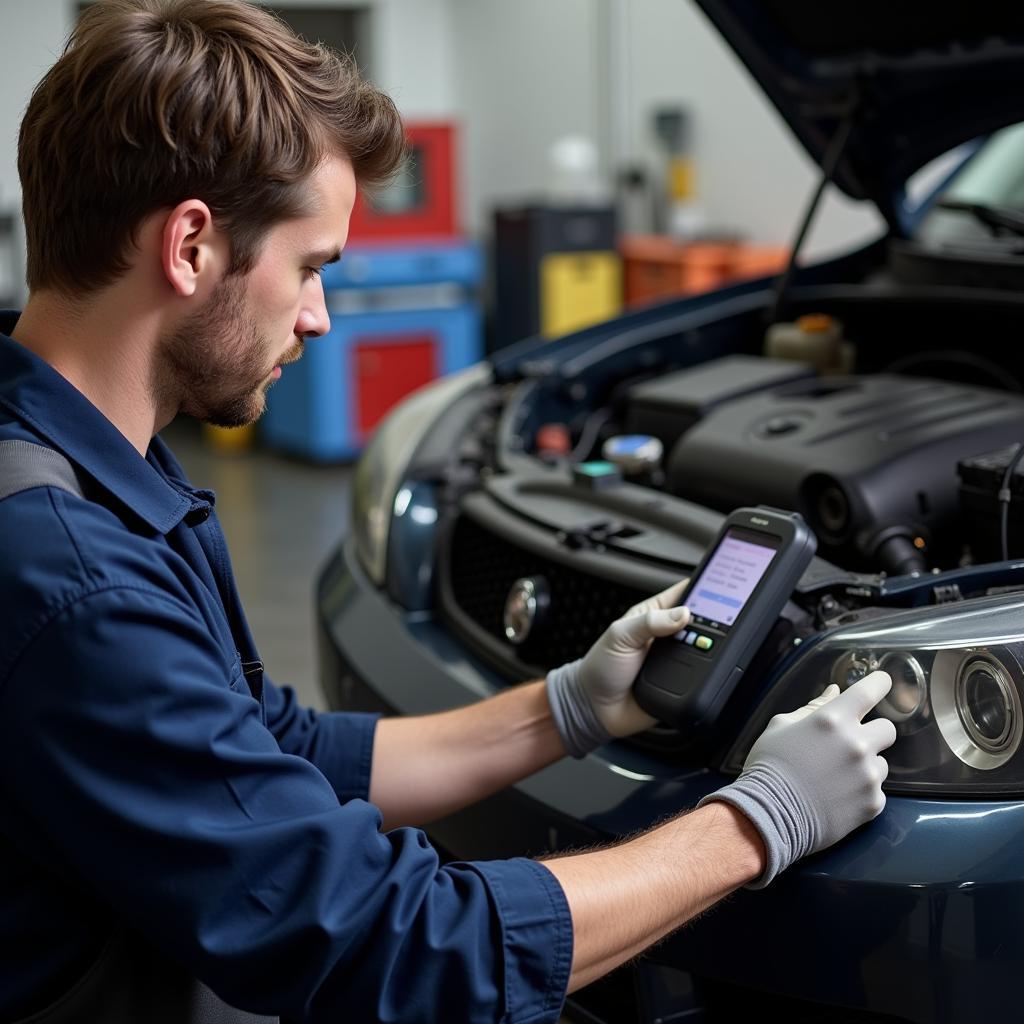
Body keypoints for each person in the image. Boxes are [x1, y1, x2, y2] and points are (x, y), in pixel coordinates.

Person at [0, 2, 897, 1021]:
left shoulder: (80, 459)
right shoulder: (69, 575)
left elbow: (266, 750)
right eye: (310, 267)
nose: (318, 316)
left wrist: (563, 708)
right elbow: (390, 944)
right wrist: (755, 821)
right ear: (192, 245)